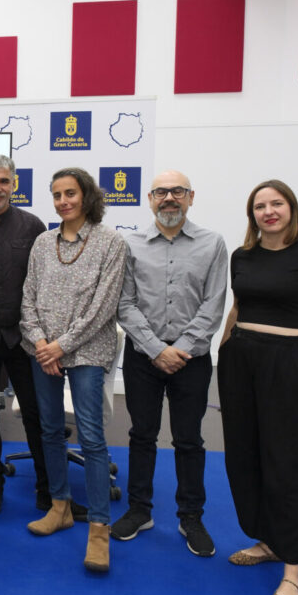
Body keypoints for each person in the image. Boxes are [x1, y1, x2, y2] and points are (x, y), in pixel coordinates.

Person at [217, 179, 298, 595]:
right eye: (259, 206)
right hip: (240, 361)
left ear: (291, 207)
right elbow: (238, 305)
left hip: (288, 361)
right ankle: (267, 540)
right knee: (245, 456)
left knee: (286, 463)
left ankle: (293, 571)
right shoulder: (242, 256)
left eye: (277, 204)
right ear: (252, 214)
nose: (268, 211)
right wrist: (225, 344)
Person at [113, 170, 227, 557]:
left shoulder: (213, 244)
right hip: (143, 356)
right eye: (161, 192)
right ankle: (139, 510)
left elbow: (214, 305)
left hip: (191, 359)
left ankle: (190, 517)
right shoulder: (130, 244)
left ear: (191, 197)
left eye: (177, 191)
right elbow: (124, 304)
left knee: (189, 439)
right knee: (141, 435)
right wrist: (154, 348)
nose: (169, 198)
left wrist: (182, 347)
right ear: (149, 199)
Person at [20, 167, 125, 572]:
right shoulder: (44, 242)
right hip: (42, 350)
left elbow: (104, 306)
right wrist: (43, 342)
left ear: (87, 196)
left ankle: (99, 528)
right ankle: (60, 507)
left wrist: (62, 345)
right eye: (57, 194)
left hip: (85, 352)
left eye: (71, 193)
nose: (64, 201)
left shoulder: (110, 242)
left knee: (93, 438)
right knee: (49, 430)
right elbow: (27, 296)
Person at [0, 155, 72, 518]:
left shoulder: (32, 226)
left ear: (14, 185)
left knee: (40, 416)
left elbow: (46, 282)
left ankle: (47, 488)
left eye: (4, 181)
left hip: (26, 339)